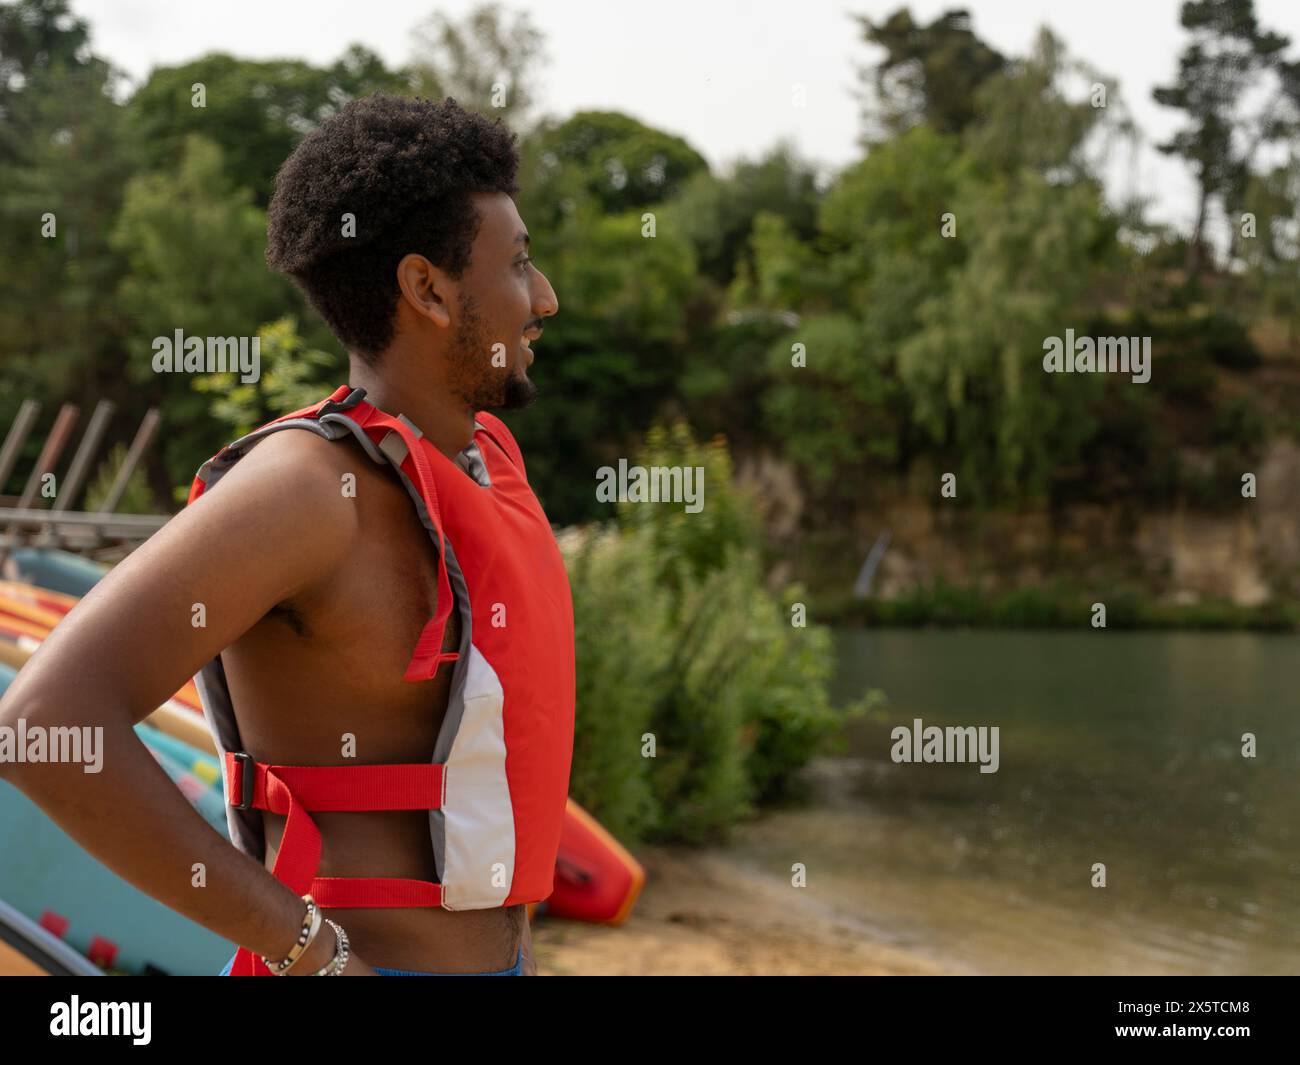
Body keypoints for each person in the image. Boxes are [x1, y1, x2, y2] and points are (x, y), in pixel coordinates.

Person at [0, 94, 571, 976]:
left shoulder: (482, 462)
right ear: (426, 288)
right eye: (521, 264)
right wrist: (311, 952)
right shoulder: (307, 490)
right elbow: (42, 725)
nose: (545, 297)